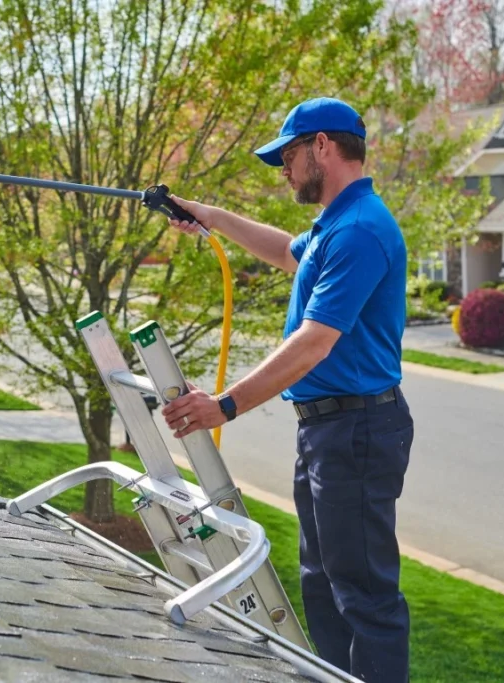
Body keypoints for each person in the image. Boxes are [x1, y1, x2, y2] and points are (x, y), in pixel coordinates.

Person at [161, 97, 413, 683]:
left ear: (322, 146)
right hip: (329, 430)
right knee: (322, 584)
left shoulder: (359, 231)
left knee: (364, 594)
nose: (284, 169)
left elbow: (312, 343)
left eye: (289, 154)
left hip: (357, 432)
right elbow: (283, 251)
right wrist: (208, 215)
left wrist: (223, 405)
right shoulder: (335, 225)